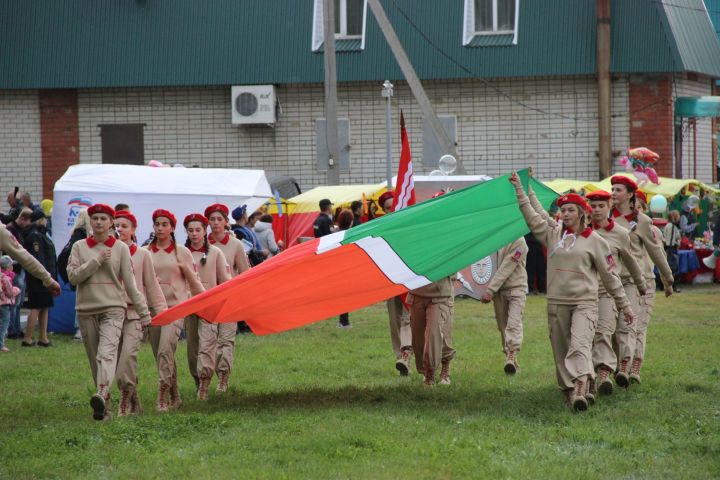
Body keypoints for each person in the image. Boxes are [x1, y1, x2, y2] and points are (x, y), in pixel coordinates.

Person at [511, 171, 634, 411]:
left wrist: (625, 305)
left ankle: (580, 386)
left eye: (570, 210)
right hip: (556, 302)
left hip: (585, 303)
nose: (565, 214)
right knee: (561, 349)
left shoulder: (597, 242)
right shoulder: (553, 234)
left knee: (579, 344)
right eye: (563, 210)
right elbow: (532, 217)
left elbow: (610, 276)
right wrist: (520, 189)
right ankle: (571, 389)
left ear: (582, 213)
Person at [67, 204, 152, 421]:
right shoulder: (78, 247)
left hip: (114, 309)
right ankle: (104, 408)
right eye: (95, 218)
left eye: (103, 218)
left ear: (111, 222)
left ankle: (102, 393)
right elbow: (73, 277)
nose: (98, 222)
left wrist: (144, 313)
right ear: (90, 221)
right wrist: (95, 261)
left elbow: (131, 285)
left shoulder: (121, 249)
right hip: (86, 309)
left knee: (106, 354)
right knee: (95, 360)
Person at [610, 176, 673, 384]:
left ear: (630, 195)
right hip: (611, 281)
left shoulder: (644, 222)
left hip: (639, 281)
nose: (613, 192)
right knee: (614, 328)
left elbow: (656, 252)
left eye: (618, 189)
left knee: (635, 325)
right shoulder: (605, 218)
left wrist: (668, 278)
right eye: (612, 189)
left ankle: (632, 365)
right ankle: (617, 365)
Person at [585, 190, 646, 396]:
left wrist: (641, 284)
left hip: (607, 292)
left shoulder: (620, 233)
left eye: (601, 205)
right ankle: (587, 377)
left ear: (609, 206)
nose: (596, 210)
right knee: (588, 337)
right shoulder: (583, 231)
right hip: (583, 294)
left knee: (604, 331)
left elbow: (630, 261)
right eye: (593, 206)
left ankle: (603, 373)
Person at [146, 209, 204, 411]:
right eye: (157, 224)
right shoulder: (145, 252)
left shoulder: (182, 252)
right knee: (163, 355)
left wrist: (205, 303)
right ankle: (175, 394)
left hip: (176, 308)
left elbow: (194, 281)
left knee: (164, 350)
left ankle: (161, 395)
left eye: (165, 224)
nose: (160, 228)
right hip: (154, 310)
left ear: (172, 228)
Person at [113, 210, 167, 416]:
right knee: (117, 361)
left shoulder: (143, 254)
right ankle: (133, 397)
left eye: (124, 226)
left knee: (128, 357)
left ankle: (125, 400)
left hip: (135, 314)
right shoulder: (108, 253)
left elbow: (152, 286)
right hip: (111, 314)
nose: (119, 229)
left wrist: (162, 314)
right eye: (116, 226)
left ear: (134, 229)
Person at [184, 213, 231, 399]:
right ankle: (197, 380)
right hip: (189, 306)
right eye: (190, 230)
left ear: (205, 231)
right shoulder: (182, 253)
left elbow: (225, 279)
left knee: (208, 344)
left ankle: (205, 382)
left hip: (210, 305)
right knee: (193, 347)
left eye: (198, 230)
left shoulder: (215, 253)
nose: (194, 234)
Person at [205, 203, 250, 389]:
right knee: (208, 342)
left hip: (230, 297)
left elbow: (245, 271)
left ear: (226, 222)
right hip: (207, 299)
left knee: (226, 340)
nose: (216, 223)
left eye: (219, 219)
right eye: (212, 219)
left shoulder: (235, 244)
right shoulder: (201, 243)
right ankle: (205, 377)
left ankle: (223, 377)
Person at [480, 236, 528, 375]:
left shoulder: (519, 241)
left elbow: (507, 266)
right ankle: (512, 361)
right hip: (499, 291)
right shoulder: (496, 237)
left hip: (516, 288)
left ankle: (511, 355)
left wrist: (489, 290)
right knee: (503, 327)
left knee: (513, 323)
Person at [408, 274, 456, 386]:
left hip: (440, 294)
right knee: (418, 339)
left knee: (435, 334)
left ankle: (432, 373)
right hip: (416, 292)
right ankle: (425, 371)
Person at [22, 210, 57, 347]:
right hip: (39, 277)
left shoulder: (41, 234)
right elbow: (38, 259)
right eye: (45, 219)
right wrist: (45, 277)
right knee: (36, 307)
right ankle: (28, 338)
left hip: (45, 276)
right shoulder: (35, 236)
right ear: (40, 220)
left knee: (45, 306)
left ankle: (43, 337)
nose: (47, 221)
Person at [4, 207, 33, 339]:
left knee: (18, 302)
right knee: (13, 301)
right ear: (22, 219)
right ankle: (12, 329)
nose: (28, 225)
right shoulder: (11, 230)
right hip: (14, 269)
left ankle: (16, 328)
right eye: (27, 222)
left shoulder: (19, 230)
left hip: (19, 268)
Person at [335, 209, 355, 329]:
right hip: (346, 269)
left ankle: (343, 321)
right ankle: (344, 322)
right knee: (346, 296)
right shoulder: (350, 235)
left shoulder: (335, 233)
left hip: (337, 268)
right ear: (350, 221)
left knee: (342, 295)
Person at [0, 255, 20, 353]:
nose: (13, 267)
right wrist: (17, 290)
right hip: (4, 304)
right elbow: (10, 293)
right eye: (11, 265)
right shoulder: (6, 278)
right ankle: (1, 345)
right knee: (4, 324)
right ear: (8, 267)